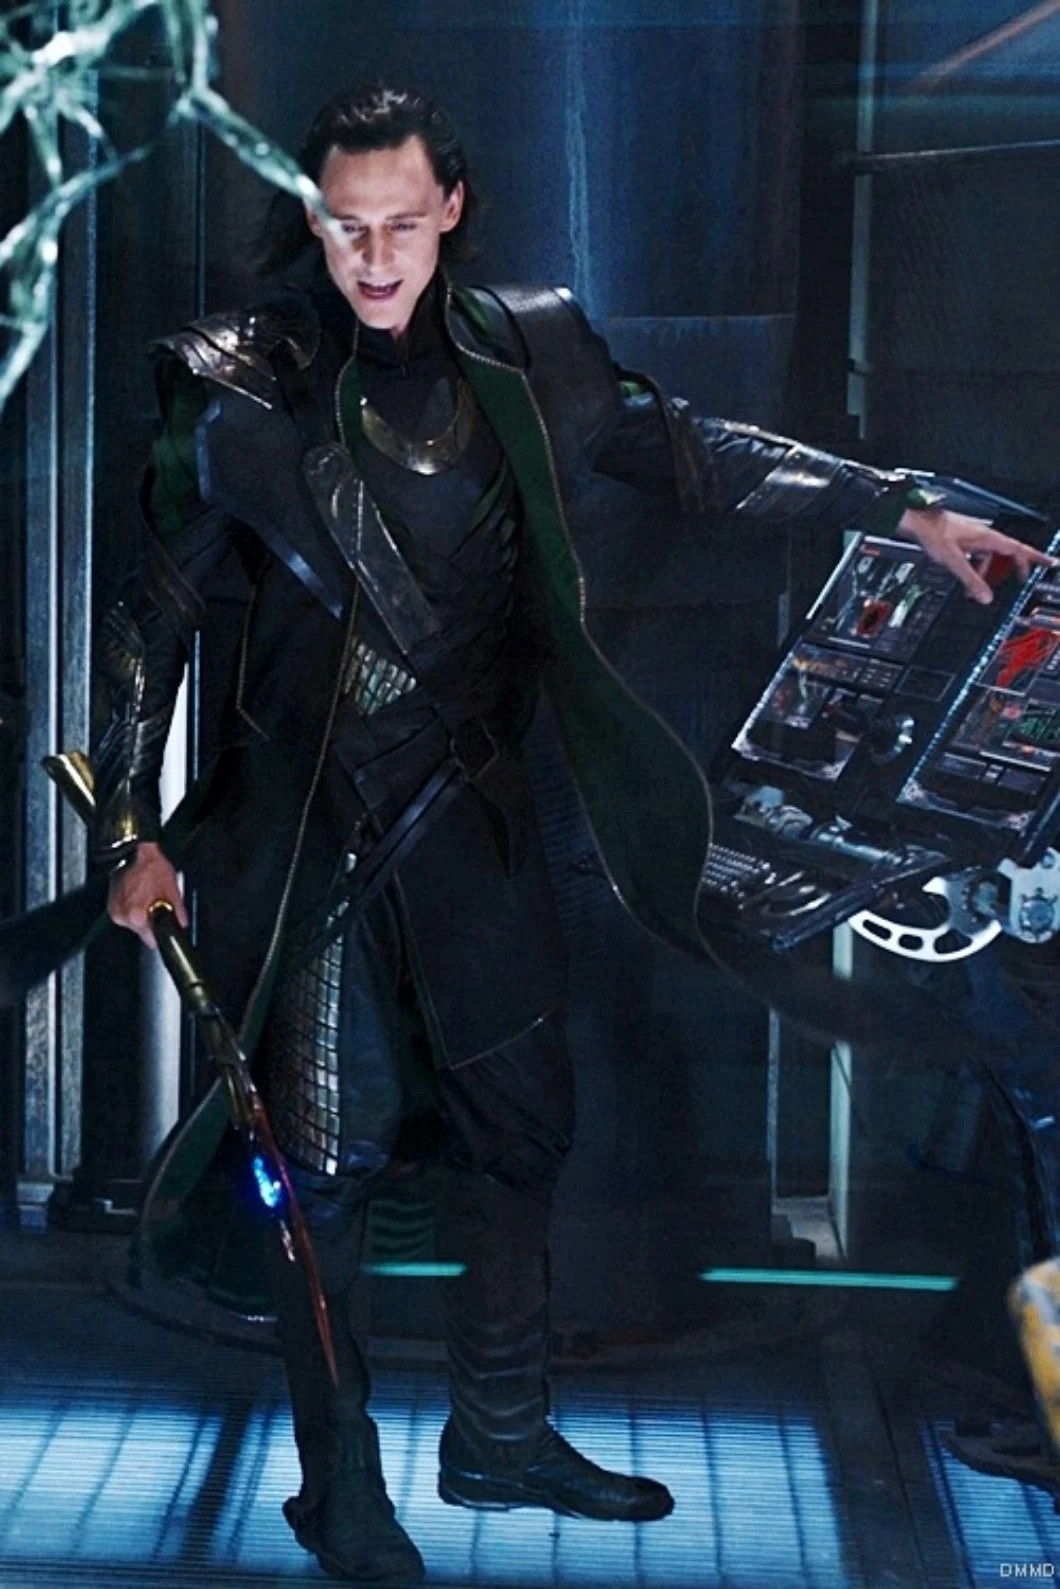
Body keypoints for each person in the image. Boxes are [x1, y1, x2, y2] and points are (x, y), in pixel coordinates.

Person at [94, 82, 1051, 1586]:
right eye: (345, 226)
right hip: (318, 837)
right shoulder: (240, 387)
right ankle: (339, 1484)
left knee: (523, 1130)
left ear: (451, 208)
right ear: (313, 223)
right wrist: (130, 831)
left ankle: (501, 1432)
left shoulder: (527, 348)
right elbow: (148, 614)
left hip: (473, 814)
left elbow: (688, 449)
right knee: (322, 1168)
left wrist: (900, 501)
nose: (374, 256)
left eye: (401, 222)